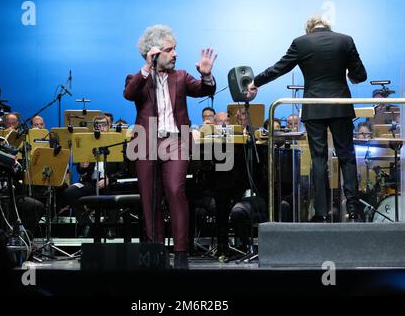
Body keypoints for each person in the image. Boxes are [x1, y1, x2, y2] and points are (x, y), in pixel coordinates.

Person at [246, 14, 367, 222]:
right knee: (347, 157)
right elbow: (360, 75)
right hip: (340, 107)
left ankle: (320, 213)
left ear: (308, 29)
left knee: (318, 160)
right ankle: (354, 210)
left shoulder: (301, 43)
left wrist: (256, 81)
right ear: (327, 26)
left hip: (314, 108)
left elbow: (279, 68)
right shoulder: (346, 40)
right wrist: (351, 76)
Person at [123, 24, 217, 269]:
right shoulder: (139, 78)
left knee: (175, 190)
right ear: (153, 53)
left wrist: (206, 75)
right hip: (146, 143)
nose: (175, 54)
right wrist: (146, 67)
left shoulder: (182, 76)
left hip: (175, 141)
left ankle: (181, 254)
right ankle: (155, 252)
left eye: (176, 49)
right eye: (169, 50)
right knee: (150, 198)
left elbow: (204, 89)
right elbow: (129, 94)